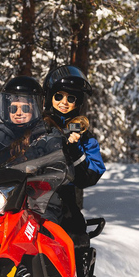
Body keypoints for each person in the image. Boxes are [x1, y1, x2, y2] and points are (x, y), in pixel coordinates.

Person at [41, 65, 106, 248]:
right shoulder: (37, 127)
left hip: (63, 198)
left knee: (75, 238)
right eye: (59, 96)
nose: (64, 102)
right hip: (29, 194)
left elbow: (91, 175)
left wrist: (75, 150)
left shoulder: (84, 136)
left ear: (77, 103)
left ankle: (76, 273)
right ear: (50, 97)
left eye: (71, 98)